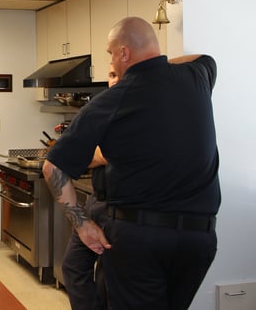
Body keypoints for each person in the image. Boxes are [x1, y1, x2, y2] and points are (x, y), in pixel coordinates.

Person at [43, 16, 219, 310]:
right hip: (198, 239)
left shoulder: (112, 100)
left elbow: (53, 167)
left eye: (111, 53)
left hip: (139, 239)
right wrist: (157, 65)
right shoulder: (197, 77)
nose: (111, 60)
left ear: (124, 53)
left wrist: (83, 225)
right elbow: (205, 57)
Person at [61, 66, 118, 310]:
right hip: (96, 201)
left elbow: (106, 154)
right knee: (73, 267)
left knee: (109, 277)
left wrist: (99, 152)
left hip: (120, 210)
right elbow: (87, 156)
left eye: (119, 74)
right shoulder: (102, 108)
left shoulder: (139, 109)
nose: (114, 80)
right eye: (112, 74)